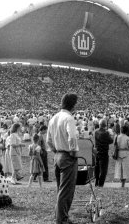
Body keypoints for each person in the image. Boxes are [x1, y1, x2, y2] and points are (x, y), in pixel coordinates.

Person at [47, 93, 79, 224]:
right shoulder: (68, 118)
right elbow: (72, 136)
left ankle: (60, 216)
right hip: (67, 156)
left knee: (60, 189)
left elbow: (48, 140)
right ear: (73, 104)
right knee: (66, 190)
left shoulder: (54, 117)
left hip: (57, 155)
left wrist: (56, 150)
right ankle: (62, 219)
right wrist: (72, 151)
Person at [94, 119, 113, 187]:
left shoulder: (96, 131)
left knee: (97, 168)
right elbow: (111, 141)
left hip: (97, 151)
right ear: (105, 125)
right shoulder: (106, 132)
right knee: (103, 170)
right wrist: (111, 135)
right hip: (104, 152)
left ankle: (96, 182)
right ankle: (101, 184)